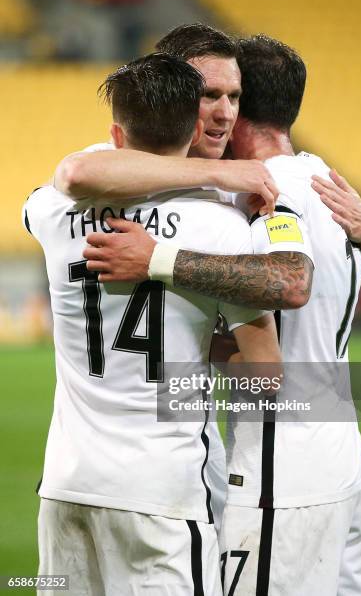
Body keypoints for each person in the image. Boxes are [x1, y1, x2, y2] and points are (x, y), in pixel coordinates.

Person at [79, 35, 361, 596]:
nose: (219, 113)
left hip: (280, 472)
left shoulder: (252, 200)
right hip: (345, 461)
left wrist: (157, 258)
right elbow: (327, 303)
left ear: (243, 112)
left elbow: (291, 287)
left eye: (230, 97)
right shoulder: (334, 188)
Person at [23, 53, 281, 596]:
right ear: (194, 128)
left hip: (67, 488)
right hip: (160, 492)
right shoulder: (220, 228)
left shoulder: (50, 212)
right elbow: (267, 374)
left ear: (116, 132)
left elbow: (75, 174)